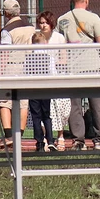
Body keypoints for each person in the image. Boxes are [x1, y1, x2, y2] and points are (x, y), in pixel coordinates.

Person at [56, 0, 100, 148]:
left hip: (72, 68)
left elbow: (60, 44)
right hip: (93, 66)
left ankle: (78, 140)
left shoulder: (62, 20)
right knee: (97, 105)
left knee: (75, 107)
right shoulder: (93, 18)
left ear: (72, 0)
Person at [0, 0, 35, 139]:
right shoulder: (31, 27)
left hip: (12, 66)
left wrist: (0, 72)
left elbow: (4, 53)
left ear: (6, 13)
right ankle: (20, 134)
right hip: (29, 66)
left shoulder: (7, 31)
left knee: (4, 101)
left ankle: (8, 135)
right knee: (23, 102)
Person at [32, 11, 69, 148]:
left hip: (55, 78)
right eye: (41, 23)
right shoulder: (36, 37)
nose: (44, 25)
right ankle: (43, 140)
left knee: (58, 109)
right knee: (40, 113)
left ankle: (59, 136)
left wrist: (53, 63)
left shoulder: (59, 37)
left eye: (46, 22)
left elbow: (64, 59)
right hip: (39, 81)